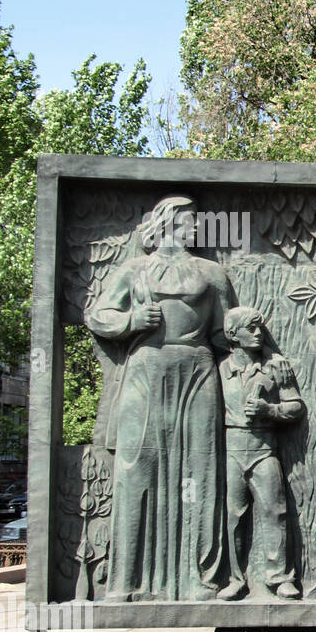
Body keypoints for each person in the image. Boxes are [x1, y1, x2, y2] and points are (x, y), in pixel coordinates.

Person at [84, 196, 232, 601]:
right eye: (190, 221)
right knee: (136, 470)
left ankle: (198, 579)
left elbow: (224, 332)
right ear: (167, 223)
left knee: (199, 471)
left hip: (197, 372)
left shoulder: (212, 273)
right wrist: (131, 321)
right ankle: (126, 581)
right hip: (146, 371)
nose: (198, 228)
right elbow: (97, 315)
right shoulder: (135, 270)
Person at [217, 307, 306, 601]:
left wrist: (270, 411)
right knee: (233, 517)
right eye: (250, 328)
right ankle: (235, 579)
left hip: (263, 448)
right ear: (232, 334)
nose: (258, 333)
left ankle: (280, 578)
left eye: (260, 328)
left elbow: (296, 406)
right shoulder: (220, 370)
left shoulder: (275, 367)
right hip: (232, 448)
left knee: (275, 512)